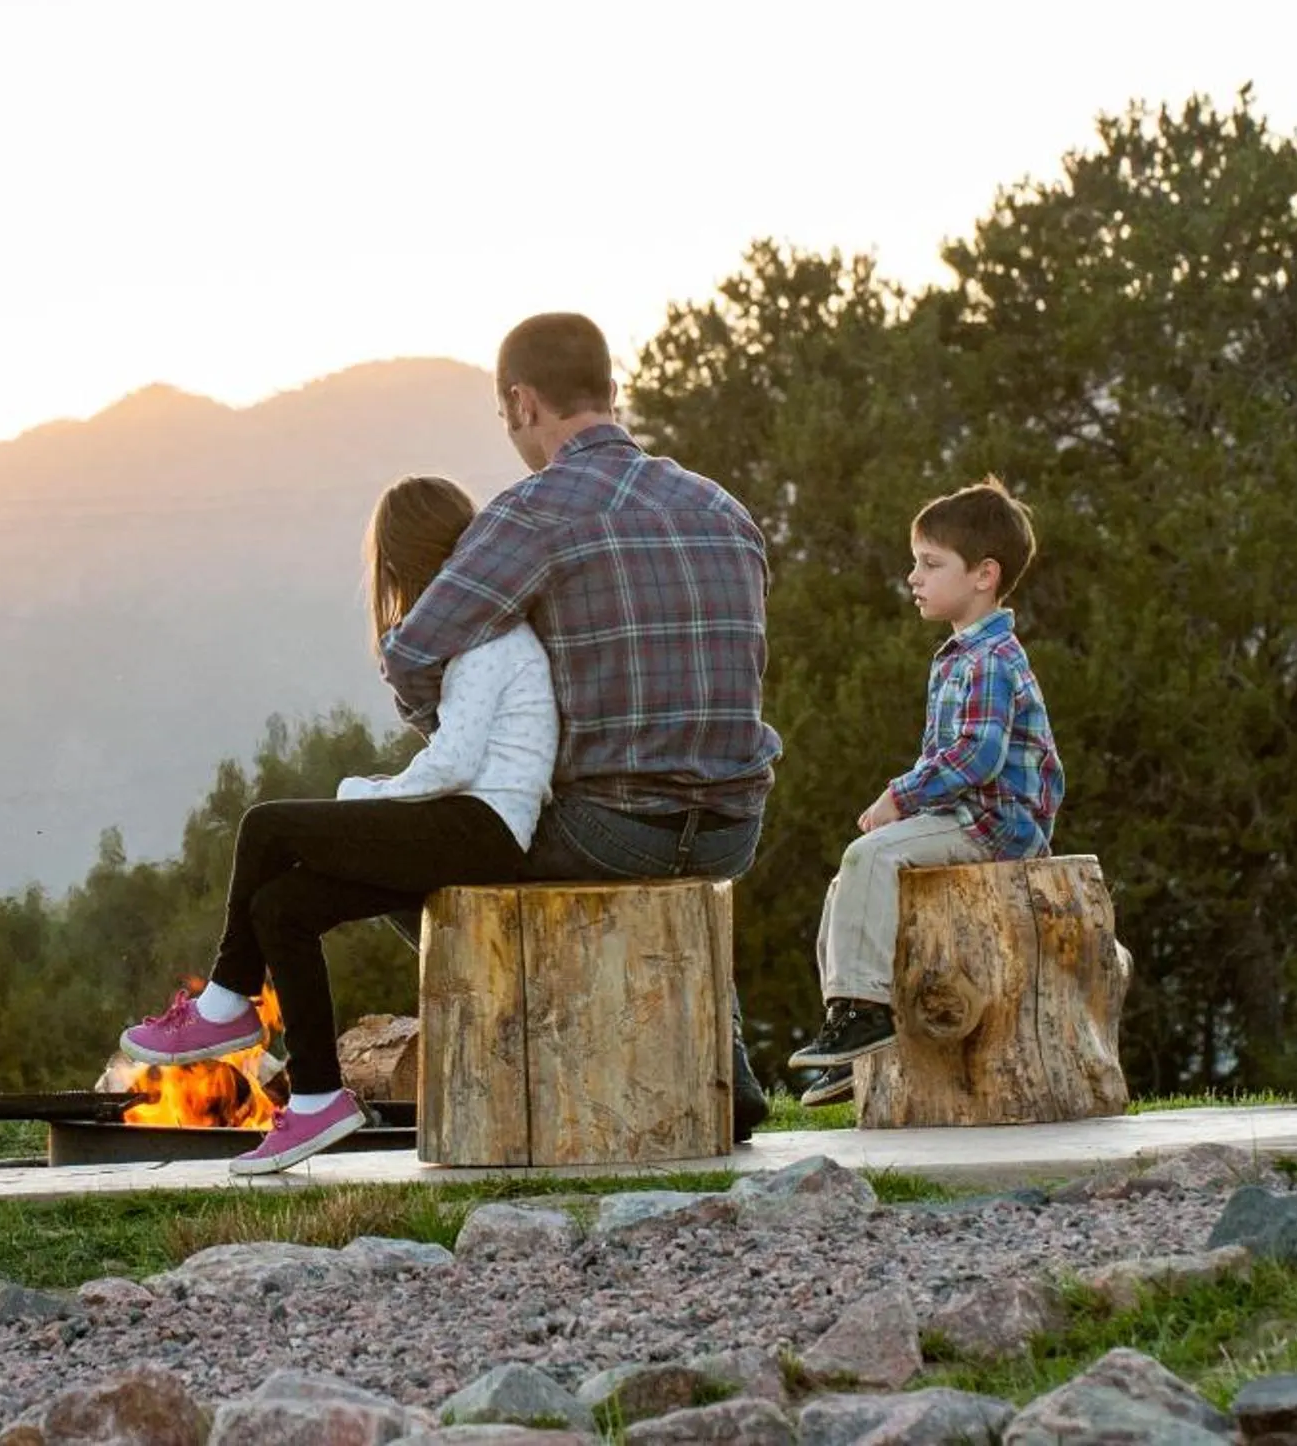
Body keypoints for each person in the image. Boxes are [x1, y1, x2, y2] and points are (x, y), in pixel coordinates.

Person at [379, 313, 780, 1134]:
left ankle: (523, 1060)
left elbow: (412, 652)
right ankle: (722, 1065)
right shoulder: (722, 507)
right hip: (733, 830)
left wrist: (472, 753)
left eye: (505, 417)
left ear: (523, 402)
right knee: (668, 873)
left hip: (605, 827)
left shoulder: (533, 513)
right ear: (609, 389)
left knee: (384, 854)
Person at [117, 476, 556, 1176]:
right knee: (281, 907)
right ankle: (320, 1094)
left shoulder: (489, 636)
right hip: (464, 822)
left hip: (482, 830)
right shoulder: (484, 628)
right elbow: (457, 762)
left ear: (398, 563)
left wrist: (362, 796)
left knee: (266, 827)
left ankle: (227, 1003)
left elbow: (454, 763)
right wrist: (382, 794)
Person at [786, 478, 1061, 1105]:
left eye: (931, 564)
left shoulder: (991, 658)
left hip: (995, 826)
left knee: (868, 857)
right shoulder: (961, 654)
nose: (914, 577)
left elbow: (976, 757)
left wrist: (899, 798)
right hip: (963, 815)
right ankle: (847, 1023)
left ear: (984, 575)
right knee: (850, 879)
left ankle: (867, 1016)